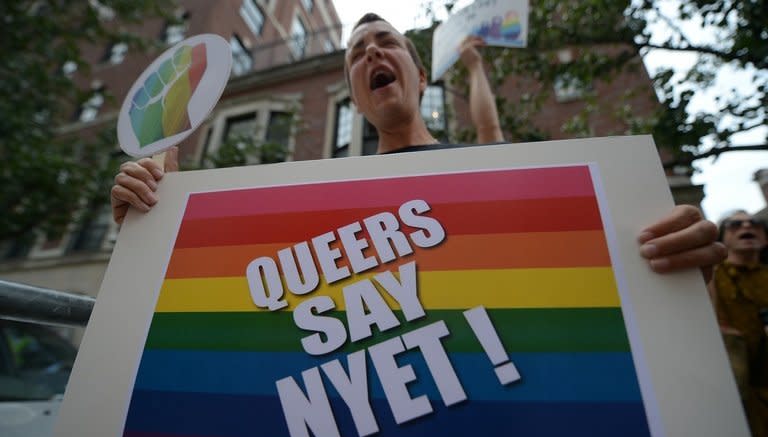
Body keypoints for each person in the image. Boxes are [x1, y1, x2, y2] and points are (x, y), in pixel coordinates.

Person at [111, 13, 725, 279]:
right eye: (356, 54)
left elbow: (491, 136)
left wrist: (658, 267)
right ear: (354, 93)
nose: (371, 52)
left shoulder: (485, 167)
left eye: (386, 43)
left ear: (420, 74)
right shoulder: (320, 204)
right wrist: (155, 210)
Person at [709, 210, 768, 437]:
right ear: (723, 239)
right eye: (735, 224)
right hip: (740, 393)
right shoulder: (710, 279)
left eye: (754, 223)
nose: (747, 226)